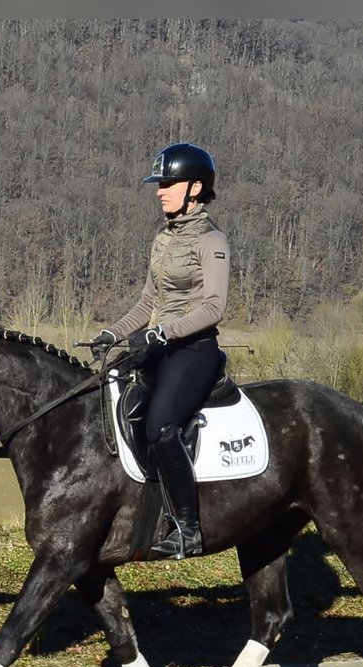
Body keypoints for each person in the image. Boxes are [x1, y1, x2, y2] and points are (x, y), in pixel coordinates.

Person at [90, 142, 230, 560]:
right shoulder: (163, 239)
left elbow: (214, 306)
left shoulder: (212, 240)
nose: (159, 190)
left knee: (162, 425)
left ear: (195, 188)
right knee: (121, 409)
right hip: (158, 346)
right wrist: (112, 333)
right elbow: (149, 302)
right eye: (159, 183)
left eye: (167, 183)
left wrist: (166, 332)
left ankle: (188, 530)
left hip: (194, 350)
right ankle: (142, 513)